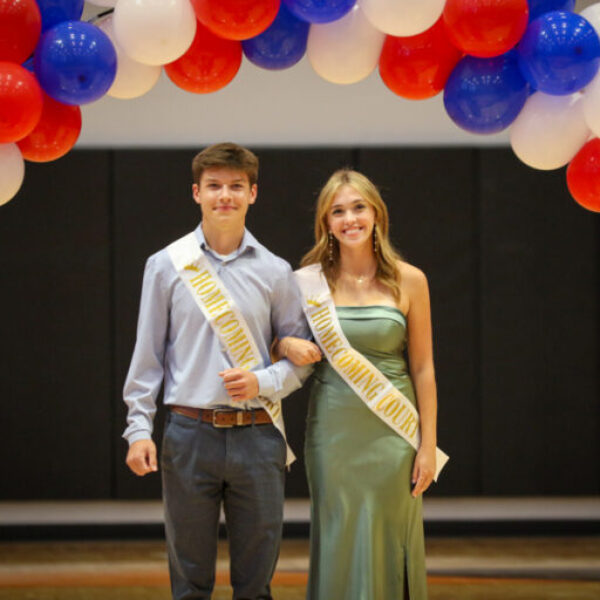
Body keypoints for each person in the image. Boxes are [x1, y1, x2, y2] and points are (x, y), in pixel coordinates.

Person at [122, 142, 315, 600]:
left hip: (259, 435)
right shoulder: (166, 265)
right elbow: (147, 356)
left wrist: (263, 382)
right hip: (189, 434)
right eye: (213, 186)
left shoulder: (276, 271)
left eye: (235, 186)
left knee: (256, 584)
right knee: (189, 583)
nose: (223, 195)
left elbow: (301, 359)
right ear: (196, 193)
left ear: (253, 193)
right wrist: (138, 430)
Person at [279, 169, 444, 600]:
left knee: (392, 533)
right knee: (339, 531)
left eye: (358, 208)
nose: (349, 219)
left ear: (376, 214)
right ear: (326, 223)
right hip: (333, 434)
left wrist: (427, 445)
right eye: (338, 211)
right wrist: (284, 343)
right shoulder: (309, 281)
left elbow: (423, 367)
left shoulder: (411, 280)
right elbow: (277, 344)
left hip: (394, 433)